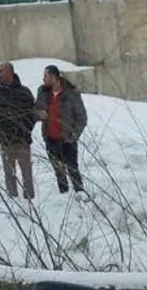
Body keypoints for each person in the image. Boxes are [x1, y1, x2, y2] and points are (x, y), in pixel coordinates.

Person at [33, 65, 88, 195]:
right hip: (51, 139)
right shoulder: (43, 92)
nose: (43, 79)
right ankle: (64, 195)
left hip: (68, 140)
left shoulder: (71, 93)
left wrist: (73, 135)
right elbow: (34, 112)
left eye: (46, 76)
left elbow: (82, 117)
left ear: (54, 77)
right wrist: (39, 114)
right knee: (59, 171)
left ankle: (80, 195)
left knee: (72, 169)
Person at [0, 61, 37, 199]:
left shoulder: (24, 92)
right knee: (9, 174)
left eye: (1, 71)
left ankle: (29, 201)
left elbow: (31, 115)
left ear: (10, 72)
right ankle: (13, 201)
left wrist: (25, 129)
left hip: (23, 141)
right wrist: (0, 131)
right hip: (5, 142)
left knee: (27, 173)